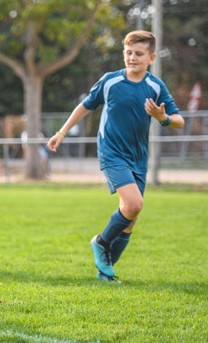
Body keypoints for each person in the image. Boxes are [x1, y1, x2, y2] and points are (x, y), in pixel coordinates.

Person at [47, 30, 184, 282]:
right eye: (129, 53)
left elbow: (179, 121)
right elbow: (85, 106)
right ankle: (101, 243)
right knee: (134, 204)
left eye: (139, 54)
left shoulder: (155, 86)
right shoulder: (110, 81)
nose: (133, 58)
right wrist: (62, 132)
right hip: (111, 152)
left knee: (130, 218)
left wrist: (162, 118)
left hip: (138, 157)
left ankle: (105, 272)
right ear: (123, 53)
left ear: (151, 57)